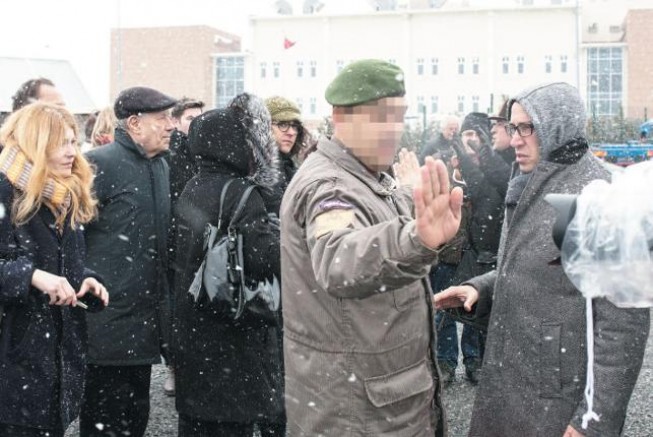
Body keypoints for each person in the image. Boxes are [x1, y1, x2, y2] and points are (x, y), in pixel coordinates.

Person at [434, 82, 650, 437]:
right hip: (514, 384)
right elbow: (534, 271)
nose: (515, 138)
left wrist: (592, 422)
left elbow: (623, 328)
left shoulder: (596, 200)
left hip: (555, 401)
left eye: (526, 127)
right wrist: (480, 290)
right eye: (512, 127)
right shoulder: (530, 184)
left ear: (557, 126)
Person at [280, 58, 463, 436]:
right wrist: (416, 238)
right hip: (358, 412)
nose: (393, 130)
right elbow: (338, 259)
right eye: (381, 116)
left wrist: (417, 216)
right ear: (341, 118)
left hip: (377, 404)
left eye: (399, 117)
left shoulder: (365, 177)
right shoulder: (330, 187)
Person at [172, 93, 285, 436]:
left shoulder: (191, 186)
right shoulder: (242, 193)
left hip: (194, 329)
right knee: (230, 424)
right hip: (233, 335)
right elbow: (265, 259)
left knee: (197, 423)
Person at [0, 102, 108, 437]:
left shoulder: (64, 193)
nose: (72, 153)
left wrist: (85, 279)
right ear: (35, 144)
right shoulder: (5, 190)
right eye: (61, 143)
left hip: (53, 372)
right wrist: (30, 276)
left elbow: (58, 262)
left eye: (74, 142)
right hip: (13, 374)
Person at [80, 86, 176, 437]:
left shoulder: (162, 166)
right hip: (106, 323)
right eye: (162, 118)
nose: (171, 125)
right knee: (103, 422)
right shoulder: (99, 163)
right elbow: (73, 235)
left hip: (145, 324)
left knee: (135, 420)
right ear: (134, 124)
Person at [163, 96, 205, 397]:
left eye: (199, 118)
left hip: (197, 239)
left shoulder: (203, 152)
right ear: (177, 121)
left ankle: (191, 366)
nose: (195, 123)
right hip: (174, 241)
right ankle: (174, 367)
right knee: (176, 308)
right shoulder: (170, 155)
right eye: (190, 118)